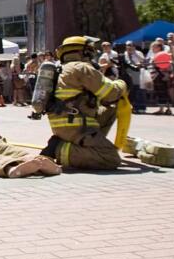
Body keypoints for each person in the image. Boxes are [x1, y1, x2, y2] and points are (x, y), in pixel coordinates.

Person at [37, 36, 128, 170]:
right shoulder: (81, 67)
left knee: (112, 107)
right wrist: (122, 83)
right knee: (110, 157)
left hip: (66, 123)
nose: (92, 55)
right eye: (90, 51)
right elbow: (110, 93)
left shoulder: (63, 68)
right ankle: (59, 149)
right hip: (77, 126)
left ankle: (89, 144)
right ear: (83, 52)